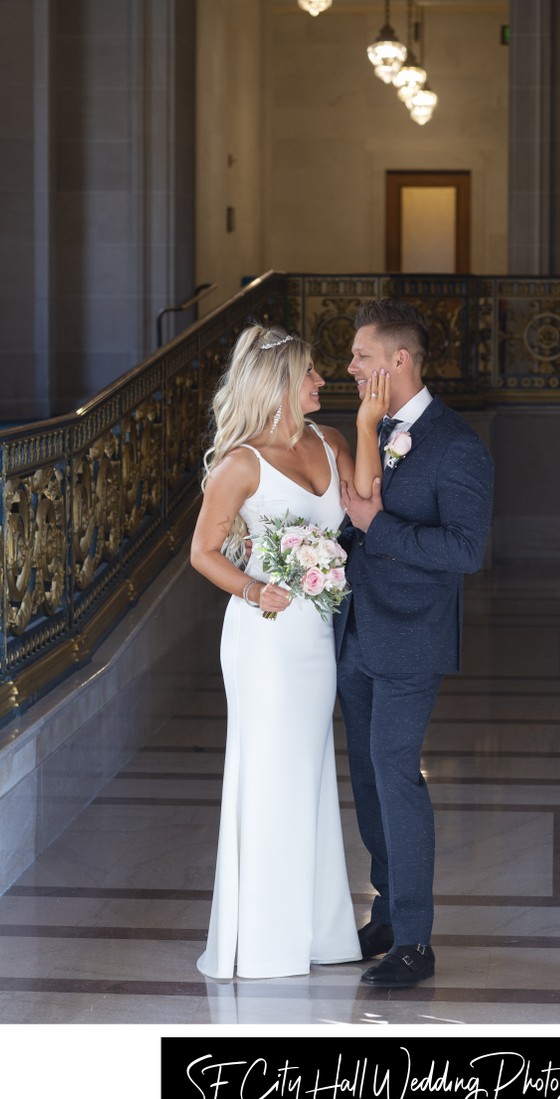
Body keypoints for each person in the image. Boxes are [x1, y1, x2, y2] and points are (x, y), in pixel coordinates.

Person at [190, 323, 363, 979]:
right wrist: (254, 588)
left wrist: (373, 422)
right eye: (312, 373)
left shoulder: (331, 440)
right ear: (283, 383)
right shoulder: (241, 462)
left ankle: (318, 935)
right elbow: (202, 553)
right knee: (266, 779)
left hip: (315, 636)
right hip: (262, 641)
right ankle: (261, 945)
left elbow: (365, 506)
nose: (322, 381)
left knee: (310, 774)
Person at [335, 298, 494, 987]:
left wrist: (376, 526)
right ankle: (388, 912)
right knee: (368, 778)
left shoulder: (457, 445)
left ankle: (416, 944)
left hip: (411, 637)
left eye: (361, 356)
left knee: (395, 773)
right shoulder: (371, 427)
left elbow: (465, 551)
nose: (349, 367)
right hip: (356, 630)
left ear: (398, 361)